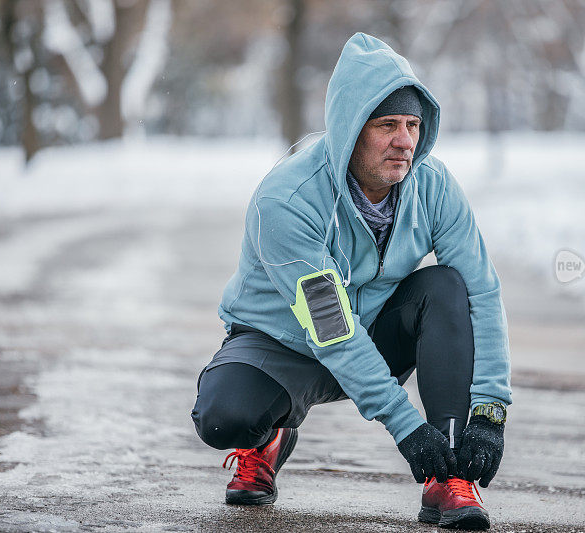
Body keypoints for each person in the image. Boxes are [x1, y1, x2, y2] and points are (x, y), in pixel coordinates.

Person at [191, 32, 511, 530]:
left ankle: (446, 475)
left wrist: (490, 412)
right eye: (387, 125)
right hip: (285, 346)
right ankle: (267, 438)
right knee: (223, 417)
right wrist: (407, 429)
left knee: (448, 286)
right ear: (350, 130)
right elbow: (332, 327)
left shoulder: (433, 186)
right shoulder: (288, 200)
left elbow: (483, 293)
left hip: (379, 333)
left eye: (412, 124)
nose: (406, 141)